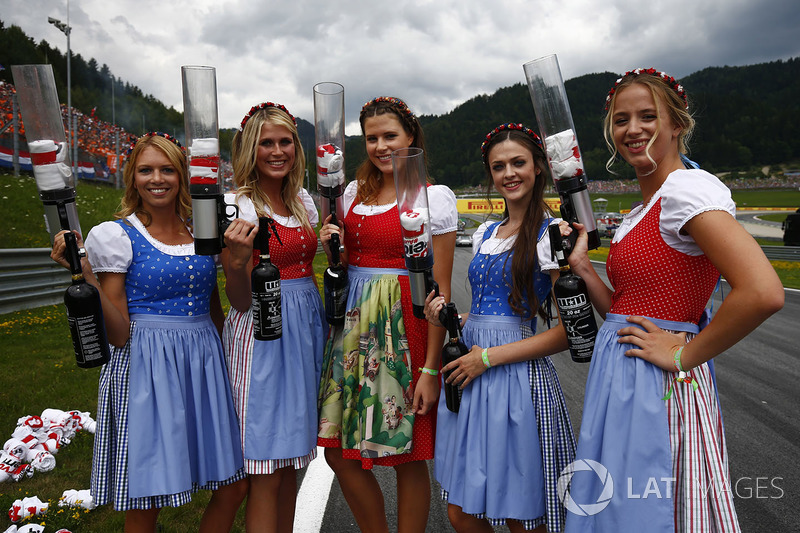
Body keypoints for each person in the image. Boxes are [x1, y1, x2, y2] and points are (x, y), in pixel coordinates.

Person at [561, 69, 784, 532]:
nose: (632, 129)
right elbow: (625, 309)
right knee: (617, 510)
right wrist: (583, 269)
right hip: (620, 373)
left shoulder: (687, 190)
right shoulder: (645, 207)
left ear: (677, 123)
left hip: (659, 384)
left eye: (648, 116)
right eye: (621, 120)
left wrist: (683, 354)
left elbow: (763, 292)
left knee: (652, 510)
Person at [50, 132, 247, 533]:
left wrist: (226, 364)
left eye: (167, 169)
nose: (157, 179)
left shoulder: (201, 233)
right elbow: (119, 334)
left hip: (203, 363)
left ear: (182, 176)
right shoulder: (117, 235)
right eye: (146, 170)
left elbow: (214, 309)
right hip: (148, 368)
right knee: (149, 495)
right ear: (132, 177)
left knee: (232, 485)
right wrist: (86, 276)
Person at [424, 123, 576, 532]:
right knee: (461, 510)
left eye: (518, 163)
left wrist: (487, 358)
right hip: (472, 372)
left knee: (521, 514)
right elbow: (485, 310)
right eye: (498, 166)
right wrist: (450, 317)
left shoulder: (552, 234)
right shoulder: (487, 232)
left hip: (514, 377)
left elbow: (570, 332)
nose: (509, 173)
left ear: (539, 167)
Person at [316, 96, 458, 532]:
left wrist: (432, 369)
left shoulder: (433, 197)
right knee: (337, 450)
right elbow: (342, 259)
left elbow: (442, 291)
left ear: (411, 136)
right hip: (353, 326)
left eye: (389, 136)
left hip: (403, 324)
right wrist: (330, 245)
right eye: (371, 137)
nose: (379, 145)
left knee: (406, 455)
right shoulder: (355, 192)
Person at [221, 102, 325, 532]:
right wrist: (236, 261)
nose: (277, 151)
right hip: (262, 333)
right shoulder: (238, 206)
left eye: (285, 142)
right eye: (267, 143)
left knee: (288, 468)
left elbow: (311, 274)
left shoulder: (302, 202)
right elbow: (240, 299)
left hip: (304, 332)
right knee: (264, 469)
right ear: (250, 149)